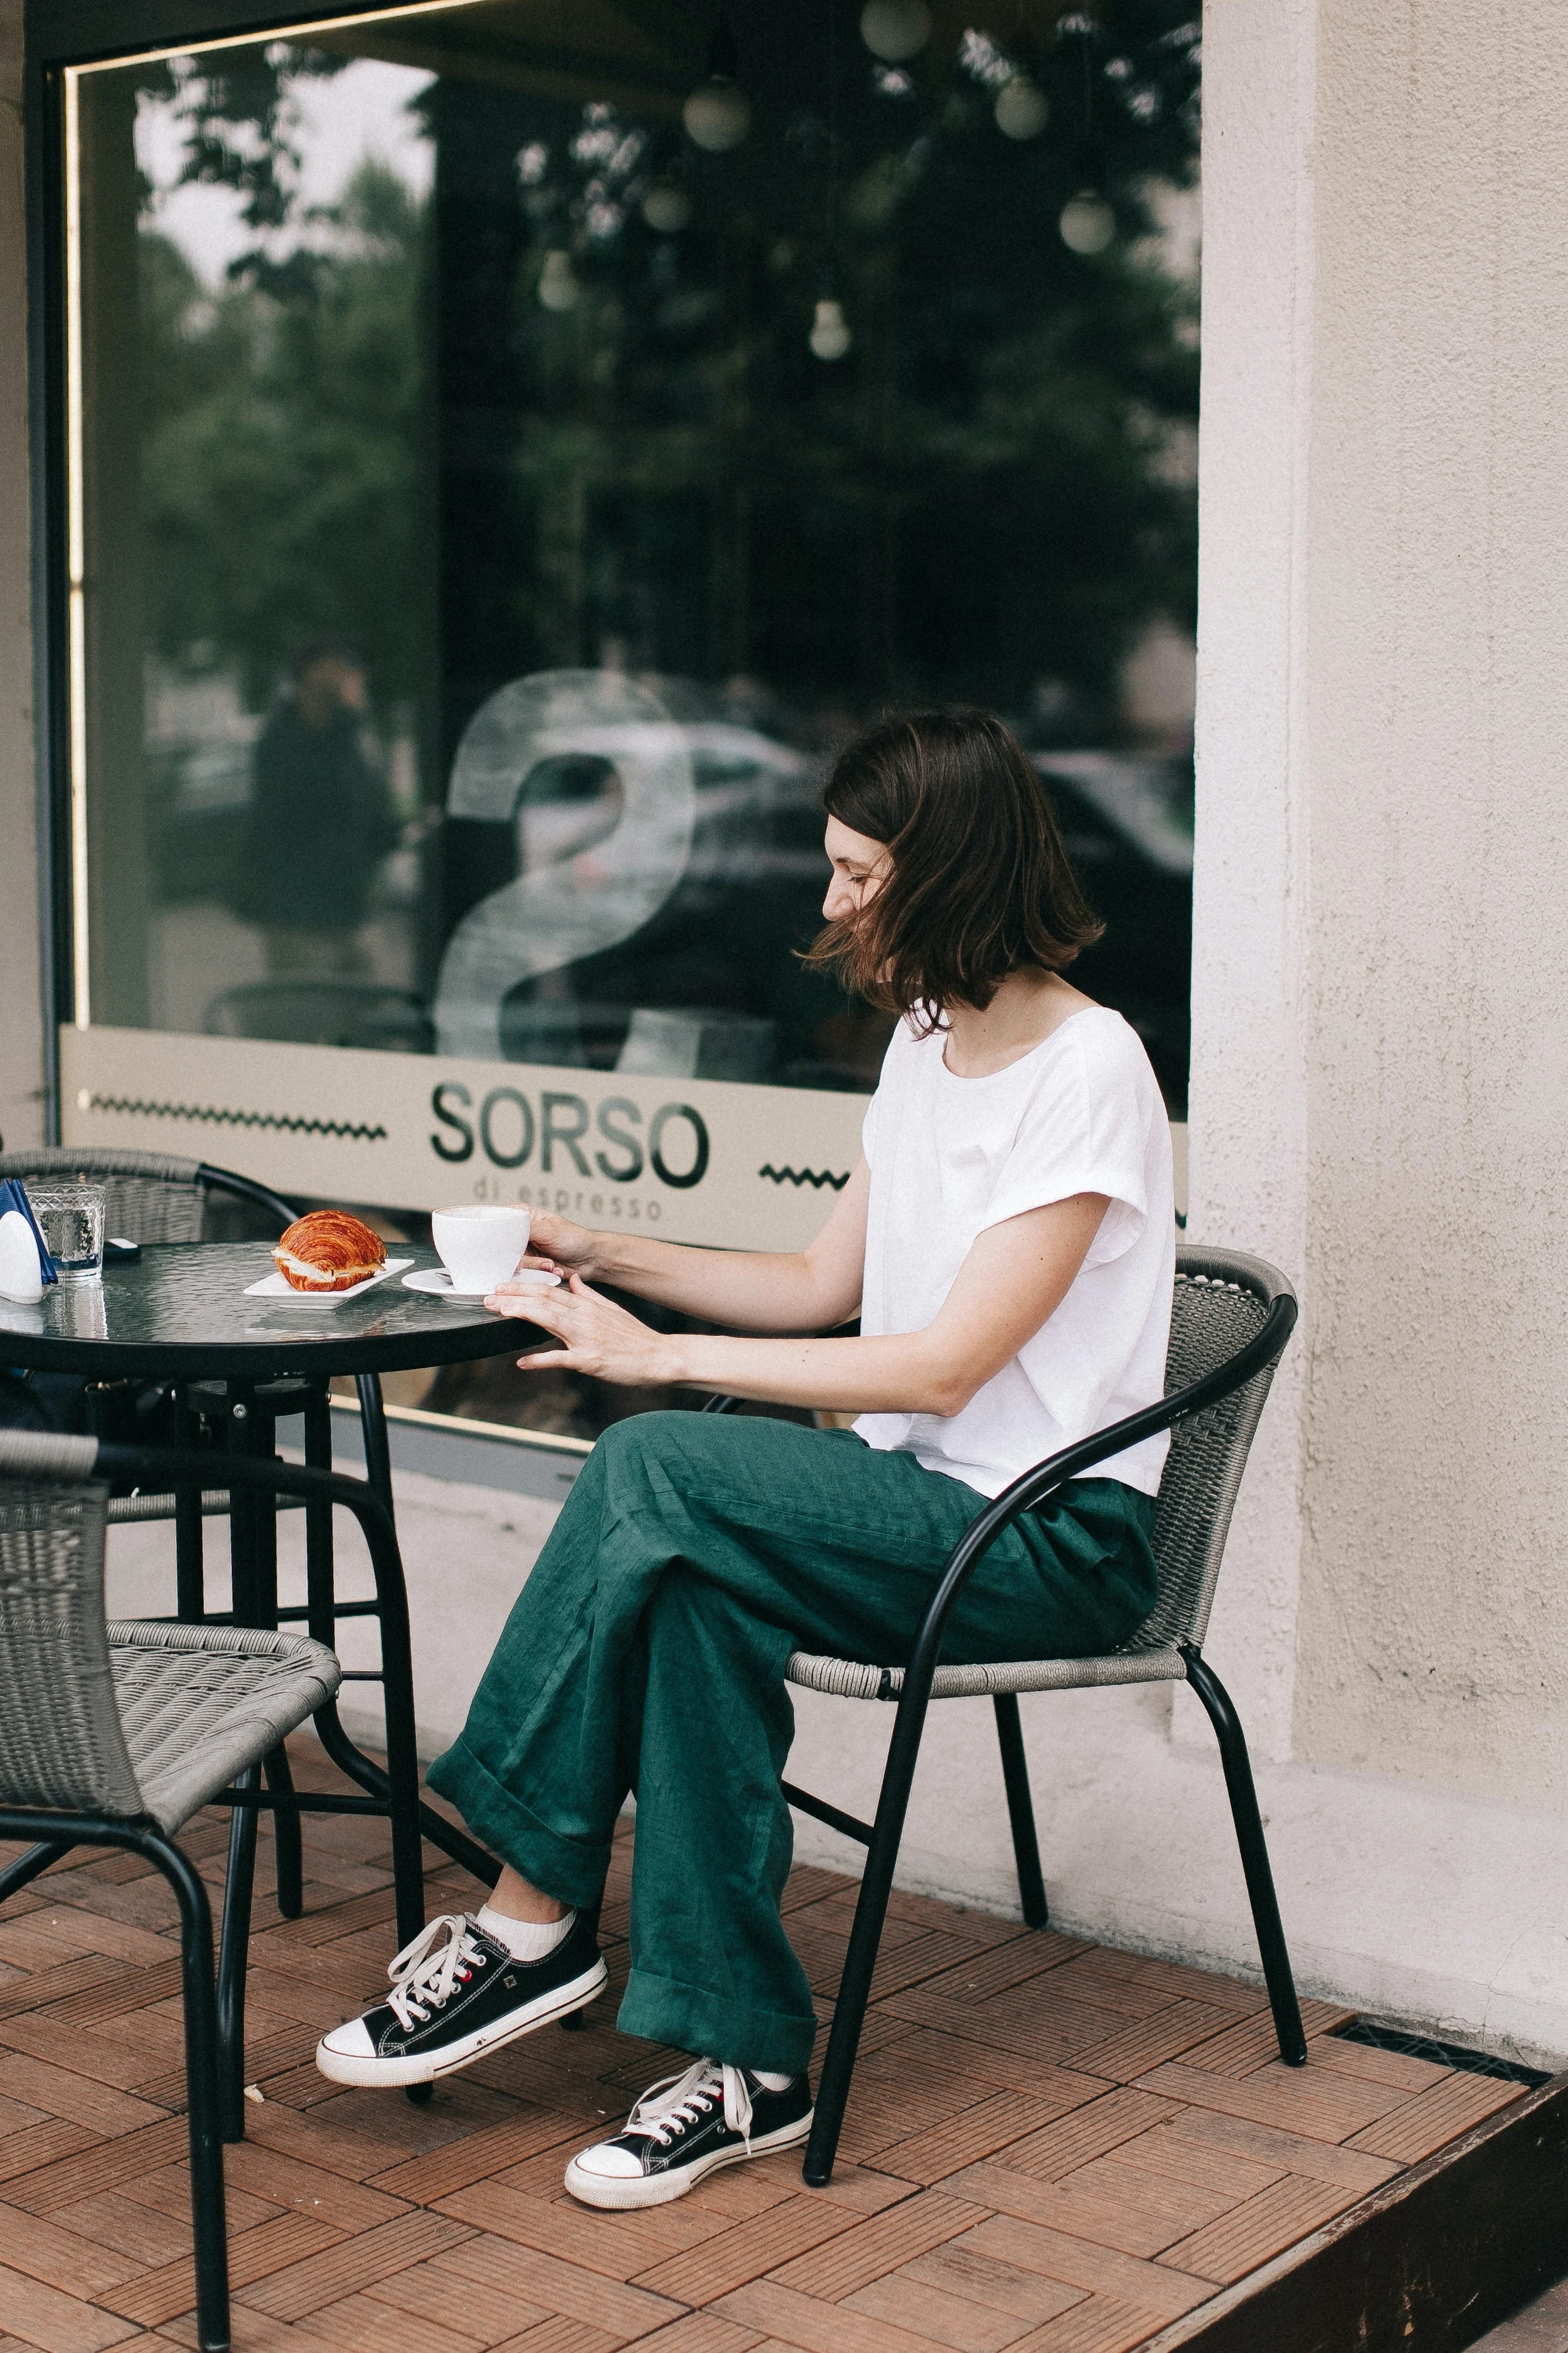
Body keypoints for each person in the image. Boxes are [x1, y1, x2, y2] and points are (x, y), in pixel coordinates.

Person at [317, 706, 1176, 2211]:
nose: (834, 904)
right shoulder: (926, 1044)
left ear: (954, 873)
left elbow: (943, 1362)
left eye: (861, 874)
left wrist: (649, 1358)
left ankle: (529, 1912)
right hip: (917, 1508)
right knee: (696, 1595)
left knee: (655, 1462)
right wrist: (598, 1247)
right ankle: (748, 2058)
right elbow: (812, 1283)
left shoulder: (1086, 1068)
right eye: (834, 869)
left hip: (1043, 1540)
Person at [231, 637, 396, 975]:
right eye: (338, 669)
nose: (349, 679)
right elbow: (302, 812)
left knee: (363, 1008)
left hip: (350, 908)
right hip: (300, 916)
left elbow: (368, 815)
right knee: (307, 1009)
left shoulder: (352, 740)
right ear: (312, 676)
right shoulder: (283, 741)